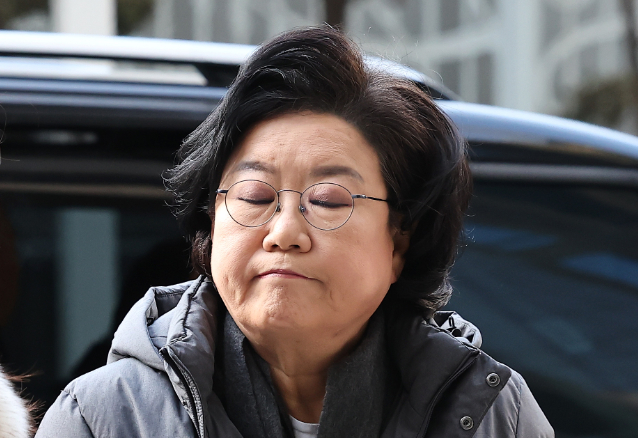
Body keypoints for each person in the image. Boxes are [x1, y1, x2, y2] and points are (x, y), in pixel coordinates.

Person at [36, 26, 553, 437]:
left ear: (399, 242)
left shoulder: (492, 415)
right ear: (212, 224)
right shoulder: (101, 418)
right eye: (254, 197)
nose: (284, 232)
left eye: (327, 201)